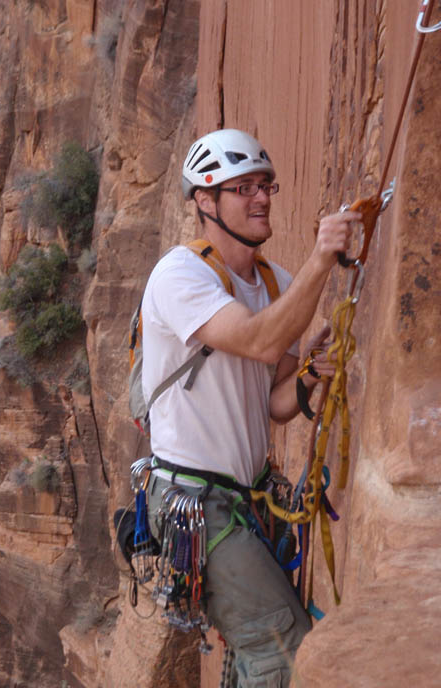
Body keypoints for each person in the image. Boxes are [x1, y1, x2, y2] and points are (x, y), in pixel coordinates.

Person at [142, 129, 360, 687]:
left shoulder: (274, 282)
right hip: (196, 502)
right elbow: (260, 341)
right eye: (243, 188)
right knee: (279, 644)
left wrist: (309, 375)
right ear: (205, 202)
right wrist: (321, 259)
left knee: (257, 642)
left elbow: (276, 402)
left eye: (265, 185)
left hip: (246, 497)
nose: (261, 197)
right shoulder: (180, 275)